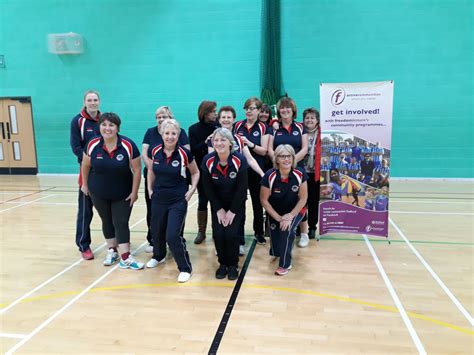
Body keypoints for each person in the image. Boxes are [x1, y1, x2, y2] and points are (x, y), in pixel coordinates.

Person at [81, 112, 144, 270]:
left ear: (117, 128)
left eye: (111, 125)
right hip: (98, 192)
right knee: (106, 220)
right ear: (99, 126)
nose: (107, 128)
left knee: (121, 222)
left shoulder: (128, 145)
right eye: (104, 124)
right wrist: (85, 185)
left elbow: (137, 170)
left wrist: (134, 192)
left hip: (123, 193)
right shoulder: (92, 144)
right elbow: (85, 165)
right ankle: (112, 250)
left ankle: (125, 257)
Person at [146, 119, 199, 283]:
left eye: (173, 133)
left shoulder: (184, 153)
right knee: (156, 231)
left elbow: (195, 172)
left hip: (177, 199)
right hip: (158, 198)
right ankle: (159, 256)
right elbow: (151, 170)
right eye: (167, 133)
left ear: (178, 135)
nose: (170, 137)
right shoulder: (155, 151)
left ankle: (185, 268)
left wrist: (191, 190)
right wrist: (149, 188)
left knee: (172, 235)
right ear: (162, 134)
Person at [209, 106, 264, 255]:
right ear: (219, 120)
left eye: (229, 117)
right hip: (219, 185)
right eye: (223, 117)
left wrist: (261, 173)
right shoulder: (213, 139)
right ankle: (219, 244)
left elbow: (250, 159)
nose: (226, 120)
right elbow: (210, 162)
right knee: (218, 215)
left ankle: (239, 242)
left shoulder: (239, 140)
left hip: (237, 185)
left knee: (239, 213)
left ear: (234, 119)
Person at [201, 128, 248, 280]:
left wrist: (232, 211)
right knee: (219, 233)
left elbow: (242, 189)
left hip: (236, 204)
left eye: (223, 140)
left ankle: (233, 264)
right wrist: (219, 209)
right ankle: (222, 264)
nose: (219, 143)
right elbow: (207, 188)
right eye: (216, 140)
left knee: (231, 234)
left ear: (230, 143)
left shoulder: (239, 160)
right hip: (218, 204)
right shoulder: (208, 160)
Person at [141, 106, 190, 253]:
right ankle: (154, 240)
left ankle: (177, 239)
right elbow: (145, 154)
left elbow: (187, 152)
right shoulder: (150, 132)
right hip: (156, 176)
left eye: (164, 116)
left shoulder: (179, 132)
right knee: (153, 211)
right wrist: (156, 168)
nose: (161, 119)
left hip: (175, 178)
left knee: (177, 211)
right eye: (158, 117)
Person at [260, 144, 308, 276]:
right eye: (282, 156)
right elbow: (264, 200)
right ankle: (277, 252)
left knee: (287, 231)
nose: (286, 159)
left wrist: (290, 216)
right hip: (276, 211)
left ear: (293, 158)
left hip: (296, 209)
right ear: (276, 159)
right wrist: (278, 217)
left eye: (289, 156)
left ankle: (285, 263)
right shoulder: (269, 176)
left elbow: (303, 199)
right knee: (275, 236)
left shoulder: (300, 173)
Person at [268, 97, 309, 245]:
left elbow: (304, 148)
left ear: (293, 111)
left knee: (300, 200)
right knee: (281, 200)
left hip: (297, 169)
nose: (285, 110)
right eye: (282, 108)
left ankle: (304, 233)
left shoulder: (300, 127)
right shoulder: (274, 128)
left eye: (288, 108)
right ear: (279, 111)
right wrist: (280, 164)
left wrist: (291, 163)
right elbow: (269, 149)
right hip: (278, 170)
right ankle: (282, 229)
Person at [234, 97, 270, 245]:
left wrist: (249, 144)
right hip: (240, 170)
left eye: (252, 108)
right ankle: (240, 236)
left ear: (259, 111)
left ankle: (259, 232)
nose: (249, 111)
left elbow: (264, 151)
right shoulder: (237, 126)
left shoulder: (263, 127)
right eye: (247, 108)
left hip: (257, 169)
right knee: (239, 203)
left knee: (257, 202)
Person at [69, 90, 101, 260]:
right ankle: (83, 244)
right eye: (89, 100)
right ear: (85, 102)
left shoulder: (105, 120)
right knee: (85, 211)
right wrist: (90, 160)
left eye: (95, 100)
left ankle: (115, 242)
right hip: (87, 171)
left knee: (109, 210)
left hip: (105, 171)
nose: (93, 102)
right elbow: (75, 146)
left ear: (99, 102)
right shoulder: (78, 121)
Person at [188, 101, 218, 245]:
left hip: (219, 170)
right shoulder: (194, 129)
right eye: (213, 111)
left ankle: (217, 230)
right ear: (205, 113)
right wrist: (206, 142)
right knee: (203, 200)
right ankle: (202, 231)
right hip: (202, 169)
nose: (216, 113)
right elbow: (193, 149)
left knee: (217, 200)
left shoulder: (219, 126)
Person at [301, 108, 321, 241]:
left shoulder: (323, 133)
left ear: (317, 120)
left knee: (313, 201)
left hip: (316, 174)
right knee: (301, 201)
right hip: (301, 173)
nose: (309, 120)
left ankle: (312, 227)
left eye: (312, 118)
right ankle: (299, 227)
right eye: (307, 118)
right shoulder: (299, 131)